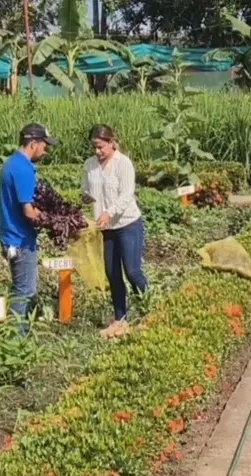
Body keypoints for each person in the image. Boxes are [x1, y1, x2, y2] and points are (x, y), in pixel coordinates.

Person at [81, 124, 148, 339]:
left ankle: (149, 309)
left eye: (101, 146)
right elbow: (85, 188)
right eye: (94, 147)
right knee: (112, 274)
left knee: (132, 271)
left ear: (111, 143)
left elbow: (127, 194)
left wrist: (109, 212)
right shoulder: (89, 165)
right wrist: (85, 197)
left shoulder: (123, 164)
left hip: (127, 224)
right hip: (107, 228)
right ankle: (120, 319)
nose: (97, 151)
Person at [0, 123, 58, 336]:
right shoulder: (22, 169)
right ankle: (15, 339)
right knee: (24, 291)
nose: (45, 150)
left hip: (11, 236)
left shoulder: (11, 164)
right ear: (33, 144)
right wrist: (54, 221)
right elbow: (29, 211)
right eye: (43, 145)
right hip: (20, 239)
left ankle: (16, 335)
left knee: (22, 289)